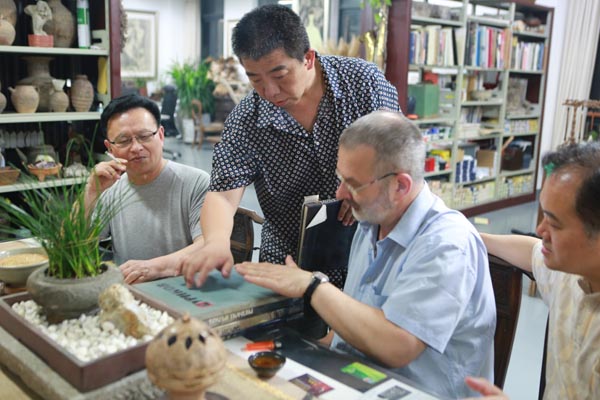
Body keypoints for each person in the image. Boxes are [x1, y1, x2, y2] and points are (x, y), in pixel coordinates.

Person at [235, 111, 496, 398]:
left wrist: (312, 286)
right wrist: (296, 346)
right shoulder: (371, 222)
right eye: (340, 179)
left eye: (353, 184)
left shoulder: (446, 246)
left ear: (400, 186)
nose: (340, 193)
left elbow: (398, 346)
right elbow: (352, 333)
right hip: (357, 379)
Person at [180, 4, 399, 289]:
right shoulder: (247, 119)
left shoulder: (362, 83)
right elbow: (222, 194)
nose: (269, 91)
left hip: (366, 249)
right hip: (288, 261)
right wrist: (216, 242)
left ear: (308, 58)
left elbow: (397, 149)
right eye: (255, 79)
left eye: (280, 75)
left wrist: (365, 188)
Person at [470, 142, 600, 400]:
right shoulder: (570, 275)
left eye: (554, 224)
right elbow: (531, 251)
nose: (540, 230)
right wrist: (470, 235)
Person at [84, 94, 210, 284]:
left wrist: (153, 268)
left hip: (184, 288)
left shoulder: (196, 182)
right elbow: (74, 245)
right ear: (110, 148)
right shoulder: (109, 187)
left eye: (144, 136)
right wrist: (90, 193)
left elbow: (207, 245)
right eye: (124, 140)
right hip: (130, 290)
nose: (136, 147)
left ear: (161, 135)